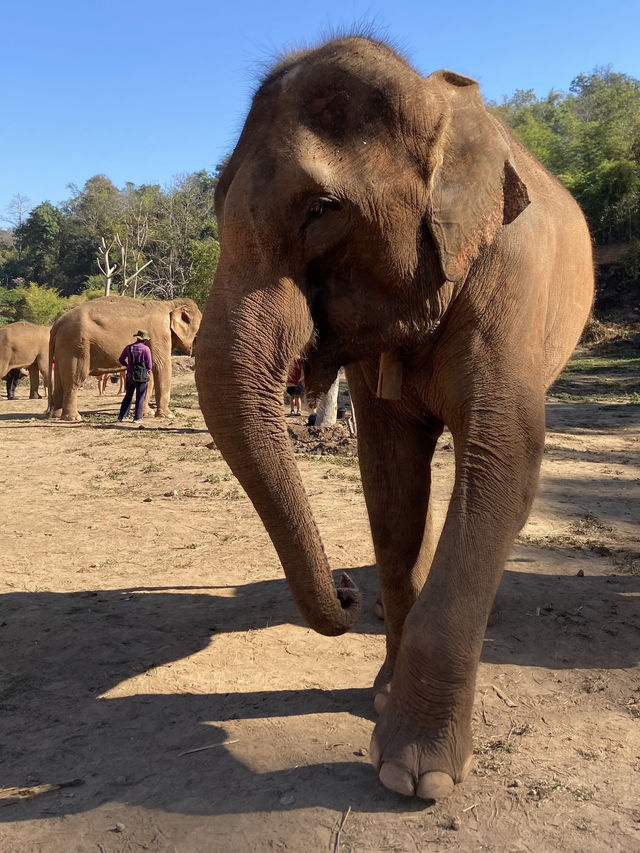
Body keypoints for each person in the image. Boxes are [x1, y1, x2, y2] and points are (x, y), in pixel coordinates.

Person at [117, 330, 153, 424]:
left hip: (130, 375)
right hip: (142, 376)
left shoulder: (129, 348)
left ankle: (123, 416)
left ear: (137, 338)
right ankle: (137, 417)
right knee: (140, 397)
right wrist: (148, 372)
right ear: (144, 340)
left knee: (128, 395)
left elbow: (121, 360)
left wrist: (127, 365)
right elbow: (149, 364)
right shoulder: (146, 349)